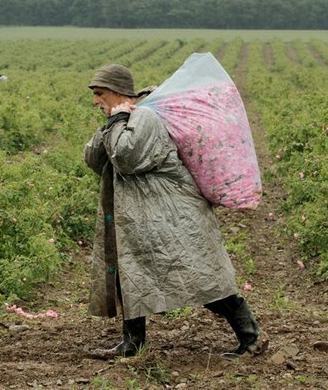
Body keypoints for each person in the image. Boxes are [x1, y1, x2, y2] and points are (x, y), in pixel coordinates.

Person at [83, 63, 261, 359]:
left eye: (100, 93)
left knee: (202, 277)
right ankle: (132, 343)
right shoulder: (122, 119)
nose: (95, 101)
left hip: (175, 217)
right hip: (144, 219)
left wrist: (119, 122)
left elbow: (127, 158)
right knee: (131, 276)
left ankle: (250, 336)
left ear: (116, 92)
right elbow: (94, 159)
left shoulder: (147, 118)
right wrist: (114, 122)